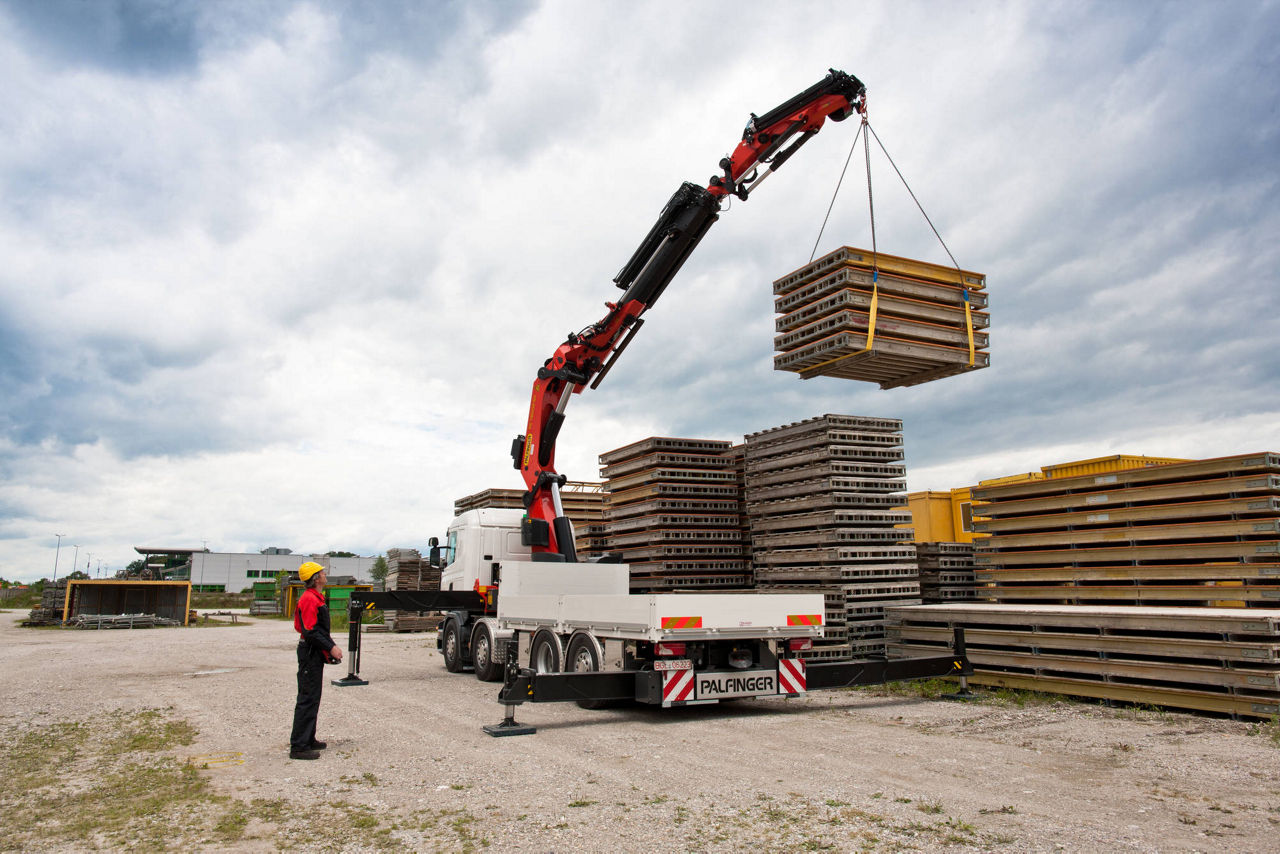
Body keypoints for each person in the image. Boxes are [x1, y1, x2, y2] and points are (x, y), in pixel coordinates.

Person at [289, 561, 342, 760]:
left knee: (313, 696)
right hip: (310, 651)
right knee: (307, 697)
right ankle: (299, 747)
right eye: (321, 572)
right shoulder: (310, 599)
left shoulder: (316, 597)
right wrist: (331, 647)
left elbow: (318, 630)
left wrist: (331, 646)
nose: (324, 574)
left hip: (314, 651)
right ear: (315, 578)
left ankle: (308, 739)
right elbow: (310, 631)